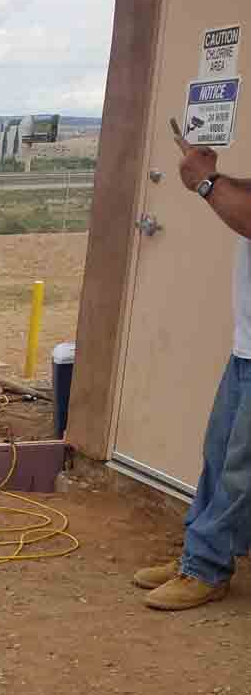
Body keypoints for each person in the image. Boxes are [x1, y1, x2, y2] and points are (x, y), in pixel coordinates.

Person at [134, 133, 251, 609]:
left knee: (240, 470)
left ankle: (206, 567)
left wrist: (204, 184)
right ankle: (197, 553)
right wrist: (212, 175)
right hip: (246, 347)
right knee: (219, 453)